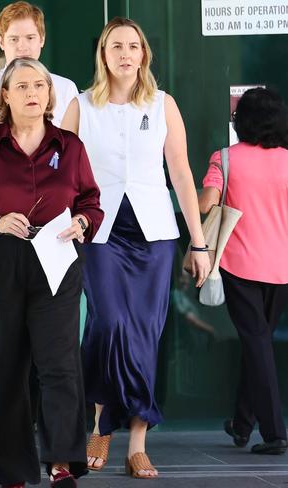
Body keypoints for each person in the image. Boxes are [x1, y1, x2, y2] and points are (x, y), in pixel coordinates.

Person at [60, 17, 210, 478]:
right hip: (99, 232)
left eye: (133, 46)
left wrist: (198, 244)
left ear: (144, 54)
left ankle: (138, 444)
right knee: (109, 324)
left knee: (145, 331)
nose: (126, 54)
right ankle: (102, 423)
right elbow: (61, 172)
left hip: (155, 235)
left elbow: (182, 175)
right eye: (116, 46)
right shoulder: (79, 105)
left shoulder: (163, 104)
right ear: (103, 54)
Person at [0, 57, 104, 488]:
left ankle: (61, 462)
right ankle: (12, 471)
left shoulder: (70, 146)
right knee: (5, 367)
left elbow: (92, 201)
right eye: (22, 86)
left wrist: (83, 223)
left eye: (40, 84)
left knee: (59, 364)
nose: (33, 92)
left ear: (50, 94)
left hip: (56, 258)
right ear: (5, 95)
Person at [198, 87, 288, 455]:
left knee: (257, 345)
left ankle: (274, 433)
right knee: (259, 345)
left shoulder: (225, 158)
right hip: (282, 269)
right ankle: (241, 424)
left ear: (241, 121)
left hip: (240, 266)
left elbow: (206, 205)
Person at [0, 0, 78, 171]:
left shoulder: (66, 88)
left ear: (42, 39)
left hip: (53, 189)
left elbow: (76, 153)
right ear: (1, 42)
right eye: (14, 39)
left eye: (30, 38)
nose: (22, 46)